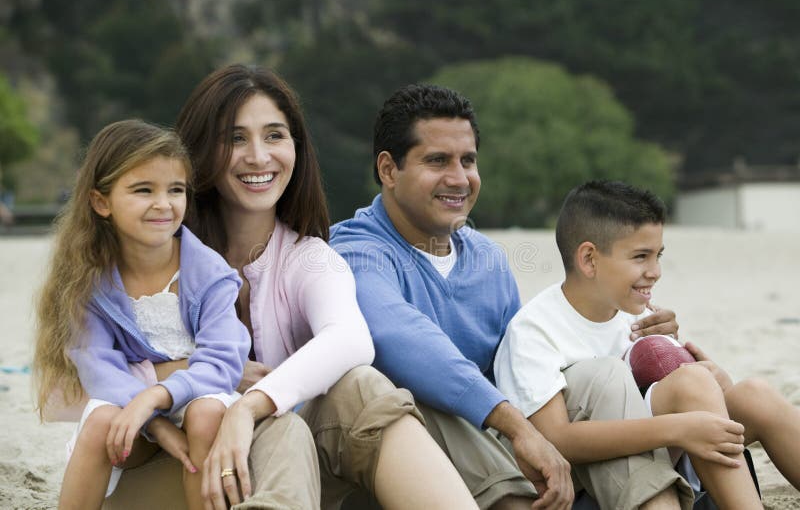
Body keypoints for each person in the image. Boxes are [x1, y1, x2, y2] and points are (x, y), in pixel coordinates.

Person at [94, 65, 477, 510]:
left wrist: (250, 405)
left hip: (288, 469)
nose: (259, 157)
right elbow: (80, 377)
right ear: (198, 149)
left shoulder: (307, 256)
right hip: (176, 468)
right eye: (235, 138)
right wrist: (201, 371)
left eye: (275, 136)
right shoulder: (148, 248)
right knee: (285, 427)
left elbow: (351, 338)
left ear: (297, 148)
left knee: (357, 386)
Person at [329, 84, 684, 510]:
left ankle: (651, 504)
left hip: (499, 439)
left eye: (469, 160)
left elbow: (529, 362)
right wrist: (518, 430)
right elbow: (407, 342)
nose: (459, 178)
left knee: (600, 374)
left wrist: (634, 335)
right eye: (437, 161)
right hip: (414, 460)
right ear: (389, 170)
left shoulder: (486, 259)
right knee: (422, 396)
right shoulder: (353, 253)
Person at [495, 180, 800, 509]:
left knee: (755, 394)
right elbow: (555, 439)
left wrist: (715, 381)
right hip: (595, 475)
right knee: (692, 384)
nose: (655, 272)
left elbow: (680, 397)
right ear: (589, 259)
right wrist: (679, 427)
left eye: (658, 256)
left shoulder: (637, 317)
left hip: (663, 450)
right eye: (641, 257)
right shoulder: (535, 330)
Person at [32, 119, 251, 510]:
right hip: (128, 404)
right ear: (102, 202)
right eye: (143, 190)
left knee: (204, 414)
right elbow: (99, 369)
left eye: (176, 190)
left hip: (200, 394)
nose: (163, 204)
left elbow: (221, 363)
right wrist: (155, 422)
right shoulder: (89, 280)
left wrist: (157, 397)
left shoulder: (209, 274)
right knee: (102, 422)